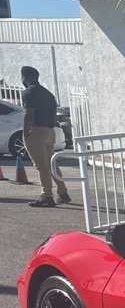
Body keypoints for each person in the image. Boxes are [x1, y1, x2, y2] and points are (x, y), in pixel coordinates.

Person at [20, 66, 71, 208]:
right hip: (50, 130)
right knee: (52, 164)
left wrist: (25, 133)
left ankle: (47, 196)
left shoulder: (28, 93)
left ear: (24, 77)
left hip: (37, 131)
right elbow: (54, 113)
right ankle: (63, 192)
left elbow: (29, 114)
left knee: (42, 166)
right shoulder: (48, 94)